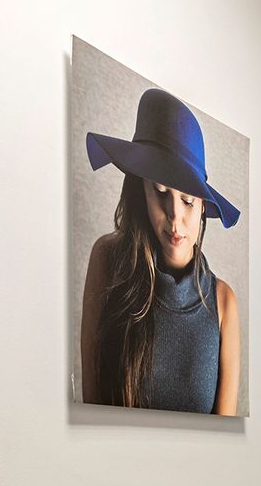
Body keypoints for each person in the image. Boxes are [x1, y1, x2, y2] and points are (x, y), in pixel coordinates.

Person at [80, 88, 242, 414]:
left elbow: (226, 439)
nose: (175, 218)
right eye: (161, 193)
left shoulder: (223, 302)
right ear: (141, 192)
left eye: (188, 200)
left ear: (203, 207)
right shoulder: (108, 261)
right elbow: (91, 405)